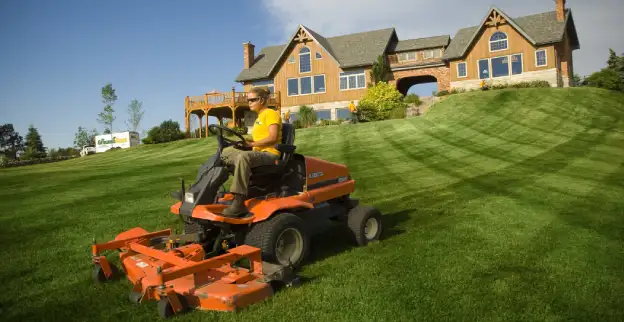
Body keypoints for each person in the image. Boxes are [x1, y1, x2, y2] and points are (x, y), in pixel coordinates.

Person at [220, 86, 282, 217]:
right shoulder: (259, 117)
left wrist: (252, 144)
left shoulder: (270, 113)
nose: (249, 103)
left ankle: (239, 202)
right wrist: (245, 142)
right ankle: (209, 191)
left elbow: (273, 137)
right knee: (225, 152)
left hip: (270, 154)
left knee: (243, 157)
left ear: (261, 100)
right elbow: (259, 138)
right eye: (248, 100)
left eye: (252, 100)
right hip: (258, 152)